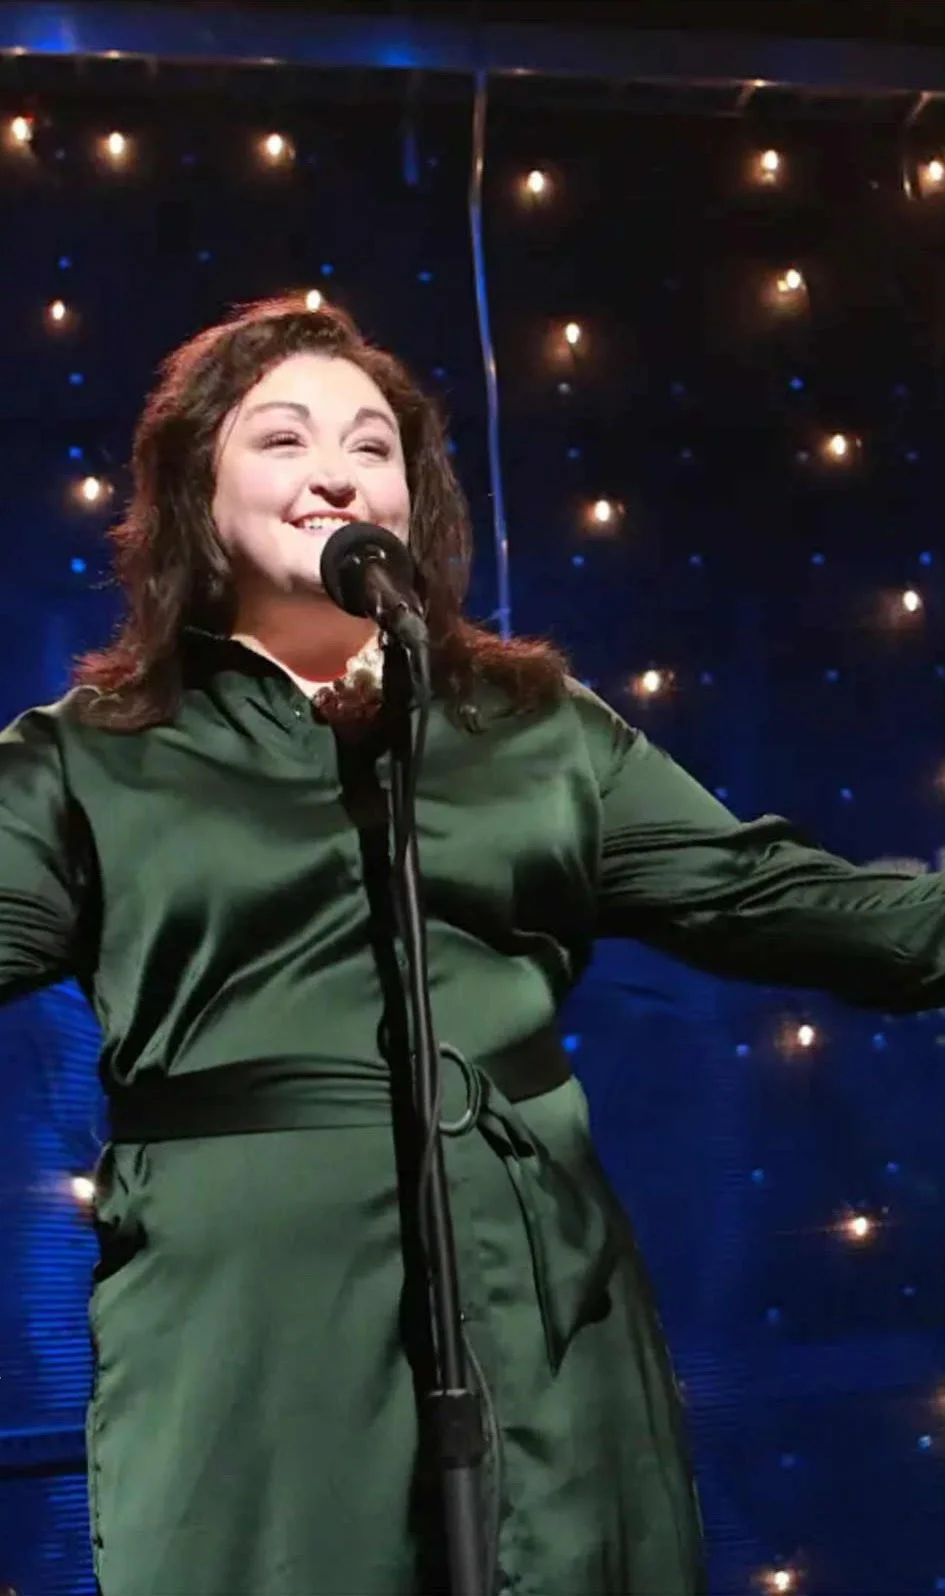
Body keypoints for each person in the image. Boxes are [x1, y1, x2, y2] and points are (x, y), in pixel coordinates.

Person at [0, 291, 942, 1596]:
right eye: (281, 438)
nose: (335, 467)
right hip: (249, 1311)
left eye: (371, 445)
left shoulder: (534, 729)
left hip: (532, 1281)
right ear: (193, 492)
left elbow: (778, 900)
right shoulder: (91, 761)